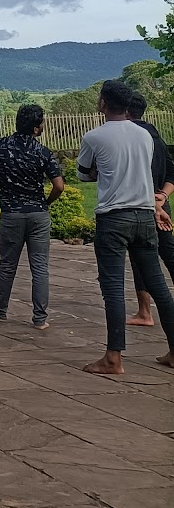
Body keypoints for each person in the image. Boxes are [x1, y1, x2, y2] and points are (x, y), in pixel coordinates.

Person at [77, 77, 174, 376]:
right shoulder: (144, 135)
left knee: (113, 288)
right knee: (158, 284)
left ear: (103, 103)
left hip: (114, 217)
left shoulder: (95, 137)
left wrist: (104, 171)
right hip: (145, 215)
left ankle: (113, 357)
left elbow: (83, 174)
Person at [0, 104, 64, 329]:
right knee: (39, 267)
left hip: (11, 214)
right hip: (38, 214)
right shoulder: (43, 152)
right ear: (37, 128)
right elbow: (59, 185)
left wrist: (4, 174)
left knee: (7, 264)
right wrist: (46, 202)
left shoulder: (0, 146)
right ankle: (40, 319)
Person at [124, 89, 174, 328]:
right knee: (168, 253)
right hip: (162, 204)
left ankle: (145, 311)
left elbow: (143, 175)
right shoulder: (158, 138)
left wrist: (154, 203)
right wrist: (163, 196)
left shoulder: (136, 139)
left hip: (145, 206)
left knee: (141, 257)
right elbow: (171, 173)